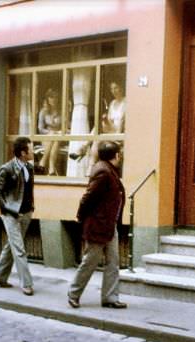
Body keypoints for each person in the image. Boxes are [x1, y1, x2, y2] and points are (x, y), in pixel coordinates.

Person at [67, 141, 127, 309]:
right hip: (98, 225)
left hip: (109, 225)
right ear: (115, 155)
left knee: (113, 262)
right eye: (119, 153)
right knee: (90, 262)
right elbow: (88, 197)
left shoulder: (109, 170)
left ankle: (110, 298)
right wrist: (81, 217)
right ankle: (74, 293)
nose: (120, 156)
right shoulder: (103, 171)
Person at [0, 137, 36, 296]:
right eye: (31, 148)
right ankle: (27, 284)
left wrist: (30, 209)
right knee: (19, 249)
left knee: (12, 246)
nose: (33, 151)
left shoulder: (29, 167)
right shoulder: (7, 168)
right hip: (11, 214)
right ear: (23, 152)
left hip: (26, 213)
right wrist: (9, 210)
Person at [37, 88, 62, 175]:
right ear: (47, 99)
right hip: (46, 136)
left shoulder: (61, 111)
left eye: (55, 97)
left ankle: (43, 161)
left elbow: (68, 127)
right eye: (51, 97)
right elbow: (40, 129)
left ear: (58, 98)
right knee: (53, 138)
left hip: (59, 136)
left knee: (56, 138)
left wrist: (59, 132)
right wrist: (49, 132)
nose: (53, 99)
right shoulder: (43, 111)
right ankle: (51, 169)